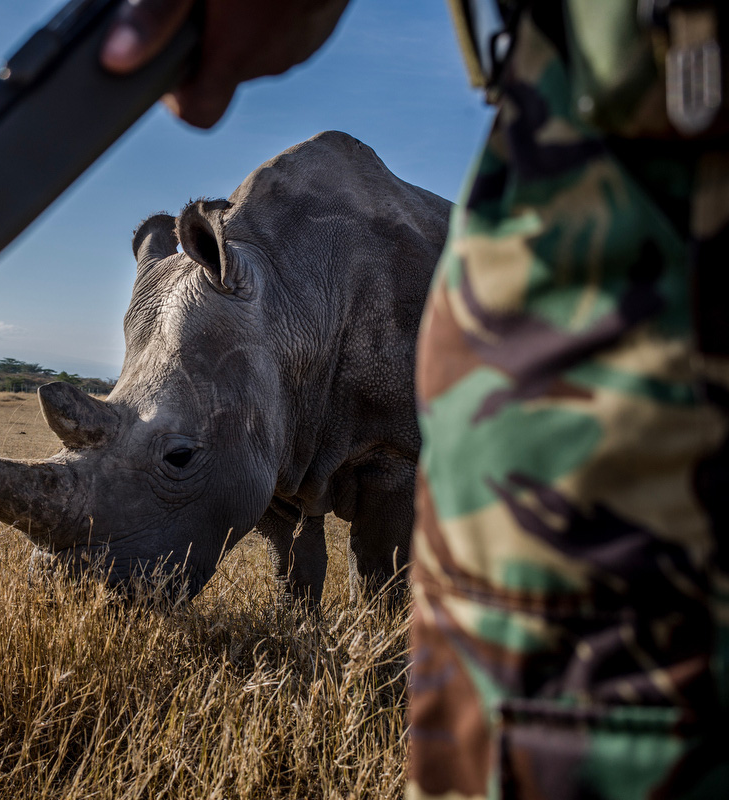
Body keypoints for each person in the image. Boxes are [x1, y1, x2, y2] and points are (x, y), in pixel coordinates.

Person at [100, 1, 729, 797]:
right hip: (575, 101)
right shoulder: (245, 287)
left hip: (654, 120)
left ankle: (393, 652)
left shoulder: (361, 269)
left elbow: (395, 459)